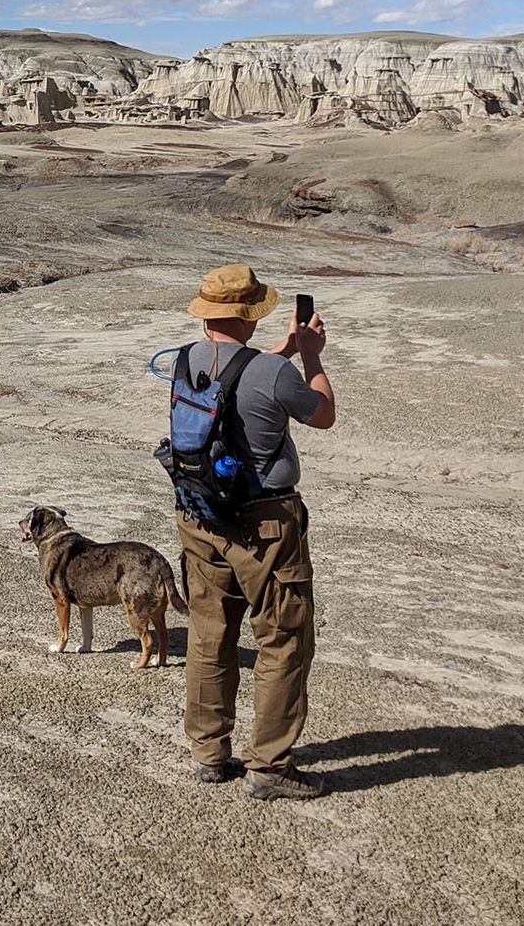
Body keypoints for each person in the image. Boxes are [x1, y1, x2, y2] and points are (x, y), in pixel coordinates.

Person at [175, 262, 335, 801]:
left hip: (200, 519)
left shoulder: (184, 361)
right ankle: (270, 765)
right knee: (283, 639)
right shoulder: (273, 373)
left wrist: (282, 352)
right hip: (265, 526)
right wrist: (309, 356)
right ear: (249, 313)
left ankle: (210, 753)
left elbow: (235, 387)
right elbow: (322, 414)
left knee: (209, 634)